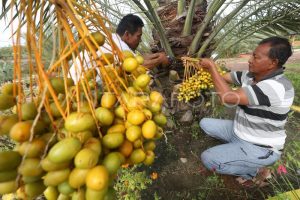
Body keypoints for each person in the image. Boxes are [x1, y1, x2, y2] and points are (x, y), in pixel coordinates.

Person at [198, 37, 294, 186]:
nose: (250, 60)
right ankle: (237, 149)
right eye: (252, 55)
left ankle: (254, 171)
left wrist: (211, 67)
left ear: (273, 62)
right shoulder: (250, 75)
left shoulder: (276, 87)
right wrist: (204, 71)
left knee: (208, 159)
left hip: (260, 147)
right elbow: (223, 77)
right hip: (239, 131)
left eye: (256, 57)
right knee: (205, 123)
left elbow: (228, 97)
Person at [69, 14, 171, 83]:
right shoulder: (119, 46)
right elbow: (137, 66)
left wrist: (158, 55)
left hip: (77, 83)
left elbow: (137, 60)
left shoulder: (113, 39)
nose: (139, 41)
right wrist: (160, 59)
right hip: (81, 88)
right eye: (138, 36)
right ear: (127, 34)